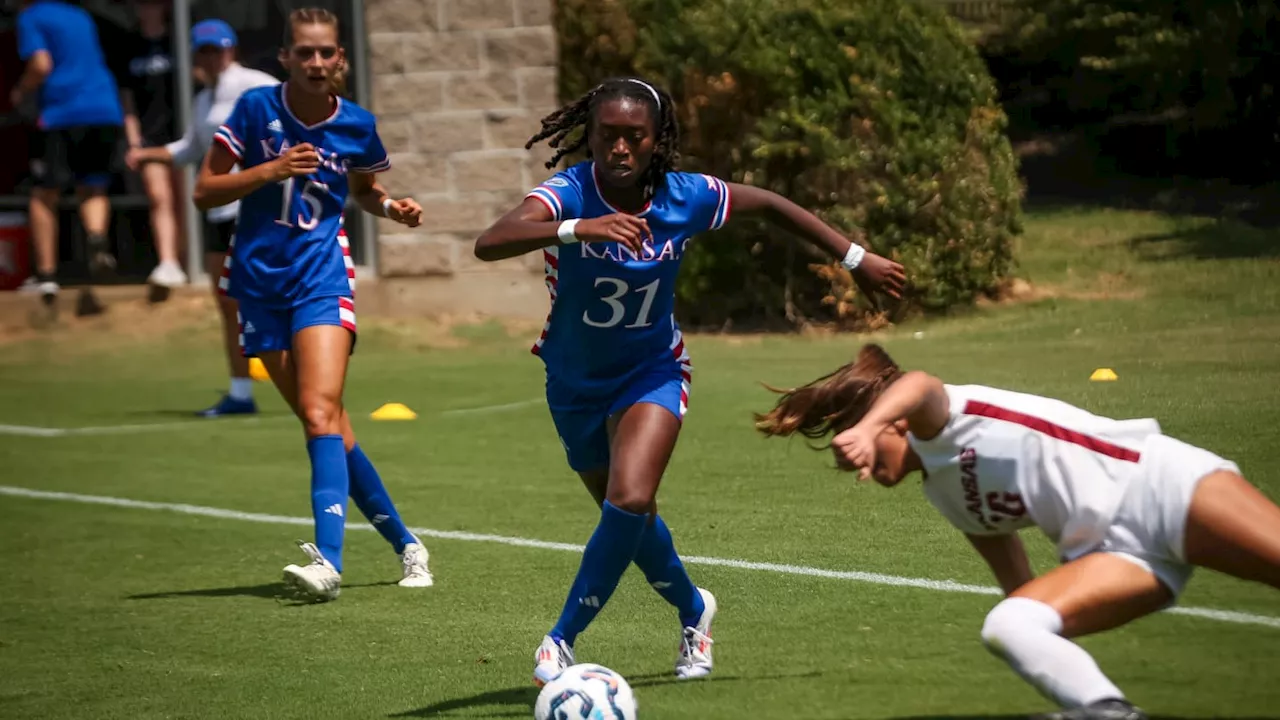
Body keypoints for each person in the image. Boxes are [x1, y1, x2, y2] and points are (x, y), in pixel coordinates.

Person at [473, 76, 907, 685]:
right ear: (589, 137)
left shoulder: (687, 197)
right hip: (572, 380)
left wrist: (856, 259)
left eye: (635, 137)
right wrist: (580, 229)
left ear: (658, 141)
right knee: (631, 516)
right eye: (607, 136)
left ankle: (560, 639)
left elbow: (774, 205)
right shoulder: (568, 193)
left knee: (627, 498)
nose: (620, 149)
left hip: (652, 370)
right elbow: (490, 243)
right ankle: (693, 608)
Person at [754, 344, 1280, 720]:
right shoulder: (943, 493)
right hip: (1116, 555)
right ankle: (1107, 710)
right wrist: (1046, 641)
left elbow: (918, 384)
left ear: (892, 423)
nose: (853, 466)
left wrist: (865, 429)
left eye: (853, 447)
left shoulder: (940, 420)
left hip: (1158, 484)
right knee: (1010, 624)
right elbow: (1021, 591)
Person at [193, 7, 433, 600]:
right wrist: (269, 169)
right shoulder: (254, 111)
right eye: (305, 53)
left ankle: (327, 561)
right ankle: (408, 544)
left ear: (341, 59)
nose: (317, 62)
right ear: (286, 59)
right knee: (327, 423)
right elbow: (203, 191)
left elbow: (365, 191)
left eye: (327, 52)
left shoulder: (357, 125)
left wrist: (390, 207)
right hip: (257, 283)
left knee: (321, 411)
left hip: (321, 278)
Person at [127, 19, 278, 417]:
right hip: (220, 209)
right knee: (228, 302)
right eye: (205, 51)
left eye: (219, 49)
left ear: (231, 50)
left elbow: (288, 129)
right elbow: (190, 150)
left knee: (270, 296)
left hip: (254, 205)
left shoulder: (254, 84)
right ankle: (241, 394)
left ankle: (310, 378)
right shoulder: (202, 101)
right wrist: (147, 154)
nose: (213, 57)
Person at [12, 0, 124, 319]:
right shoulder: (80, 14)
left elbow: (40, 64)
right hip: (105, 108)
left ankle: (47, 277)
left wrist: (21, 91)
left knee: (44, 194)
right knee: (93, 187)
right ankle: (97, 239)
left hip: (63, 112)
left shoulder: (31, 17)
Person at [112, 0, 187, 292]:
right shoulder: (129, 46)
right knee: (159, 196)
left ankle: (187, 261)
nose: (148, 8)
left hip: (182, 132)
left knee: (184, 199)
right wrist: (133, 140)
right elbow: (127, 99)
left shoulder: (178, 41)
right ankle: (168, 261)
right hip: (150, 137)